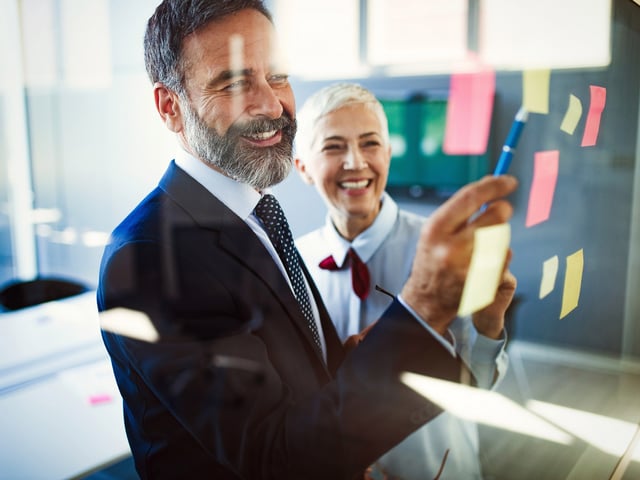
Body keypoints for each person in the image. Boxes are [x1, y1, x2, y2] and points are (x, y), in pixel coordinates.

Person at [96, 1, 518, 479]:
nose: (273, 106)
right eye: (233, 83)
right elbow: (275, 459)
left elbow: (294, 383)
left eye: (277, 76)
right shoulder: (149, 257)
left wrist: (349, 367)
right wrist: (422, 304)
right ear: (171, 108)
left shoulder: (259, 216)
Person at [294, 83, 515, 479]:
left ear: (389, 154)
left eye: (370, 143)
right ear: (303, 168)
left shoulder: (445, 250)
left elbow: (477, 386)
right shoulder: (290, 263)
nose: (355, 162)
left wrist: (488, 325)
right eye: (332, 147)